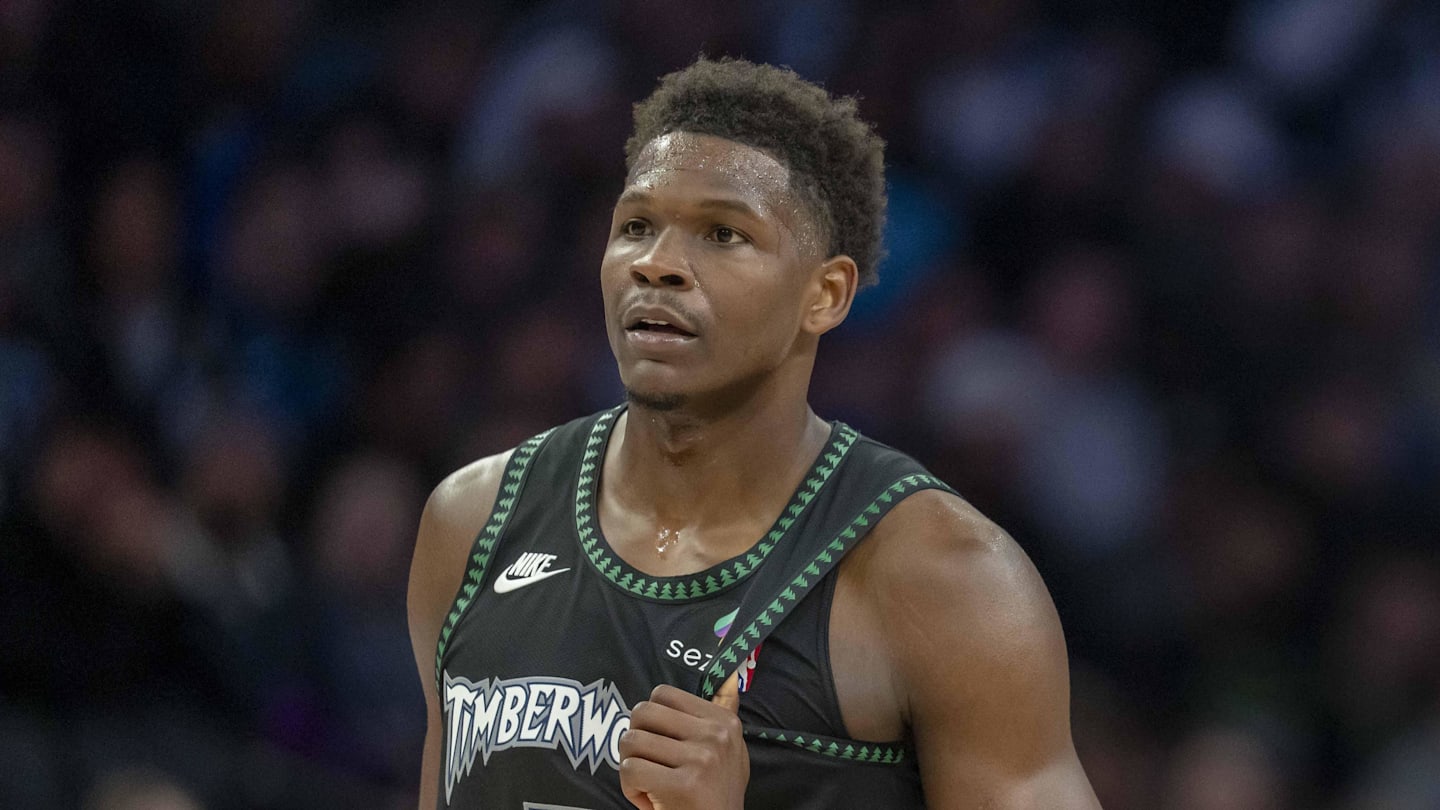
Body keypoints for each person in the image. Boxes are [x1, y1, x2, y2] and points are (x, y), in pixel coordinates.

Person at [407, 57, 1100, 809]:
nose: (658, 264)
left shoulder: (946, 580)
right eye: (636, 225)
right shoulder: (473, 521)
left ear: (825, 294)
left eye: (722, 234)